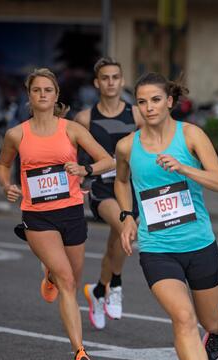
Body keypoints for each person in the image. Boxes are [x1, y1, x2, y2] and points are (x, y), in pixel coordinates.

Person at [115, 72, 218, 360]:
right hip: (157, 247)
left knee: (209, 320)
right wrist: (126, 216)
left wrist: (184, 168)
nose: (148, 108)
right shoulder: (127, 146)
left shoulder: (191, 135)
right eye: (141, 102)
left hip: (199, 243)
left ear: (169, 101)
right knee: (183, 317)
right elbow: (121, 182)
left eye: (154, 100)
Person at [0, 68, 115, 360]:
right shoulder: (17, 134)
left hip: (72, 213)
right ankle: (80, 352)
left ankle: (49, 273)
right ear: (30, 96)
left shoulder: (71, 130)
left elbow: (108, 160)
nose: (43, 95)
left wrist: (84, 168)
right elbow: (3, 164)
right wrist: (6, 185)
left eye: (48, 90)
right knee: (66, 280)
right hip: (37, 217)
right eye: (37, 90)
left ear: (56, 95)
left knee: (71, 281)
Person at [75, 57, 143, 330]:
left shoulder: (137, 114)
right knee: (125, 226)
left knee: (116, 242)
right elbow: (76, 157)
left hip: (131, 187)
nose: (111, 82)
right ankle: (114, 285)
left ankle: (98, 292)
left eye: (116, 77)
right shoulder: (85, 118)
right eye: (105, 78)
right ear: (97, 83)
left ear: (122, 81)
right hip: (102, 190)